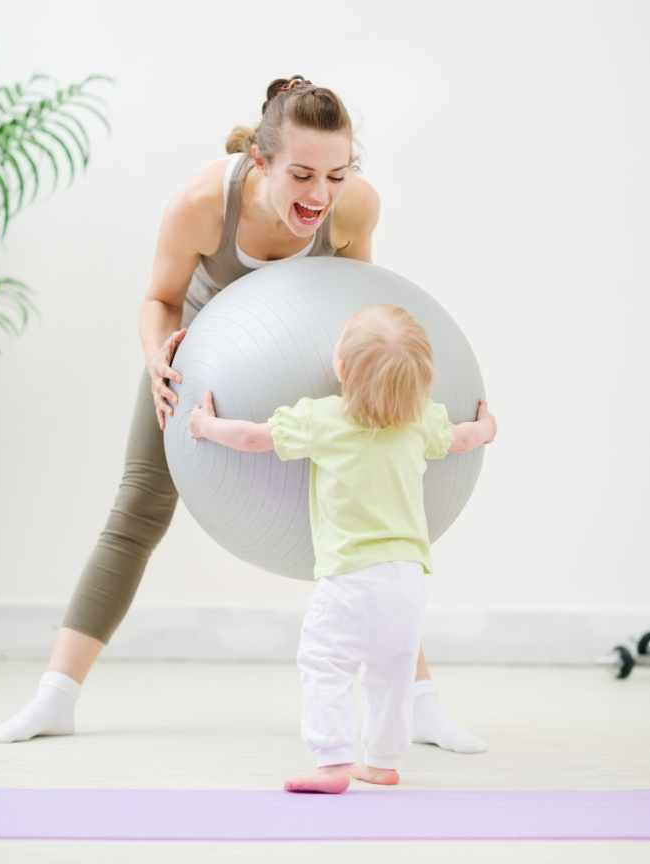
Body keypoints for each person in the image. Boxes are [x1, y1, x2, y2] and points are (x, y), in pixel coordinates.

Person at [0, 77, 486, 755]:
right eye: (302, 175)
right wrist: (158, 360)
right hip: (200, 355)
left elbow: (355, 304)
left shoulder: (353, 207)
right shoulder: (203, 204)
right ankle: (55, 696)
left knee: (371, 515)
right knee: (138, 507)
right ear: (261, 160)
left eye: (336, 175)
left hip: (305, 356)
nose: (319, 195)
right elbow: (158, 299)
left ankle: (418, 706)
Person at [188, 303, 497, 793]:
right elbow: (462, 440)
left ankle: (331, 763)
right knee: (392, 672)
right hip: (409, 577)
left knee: (324, 661)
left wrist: (205, 426)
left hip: (352, 576)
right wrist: (488, 429)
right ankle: (381, 760)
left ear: (342, 369)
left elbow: (251, 438)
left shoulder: (323, 418)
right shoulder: (421, 420)